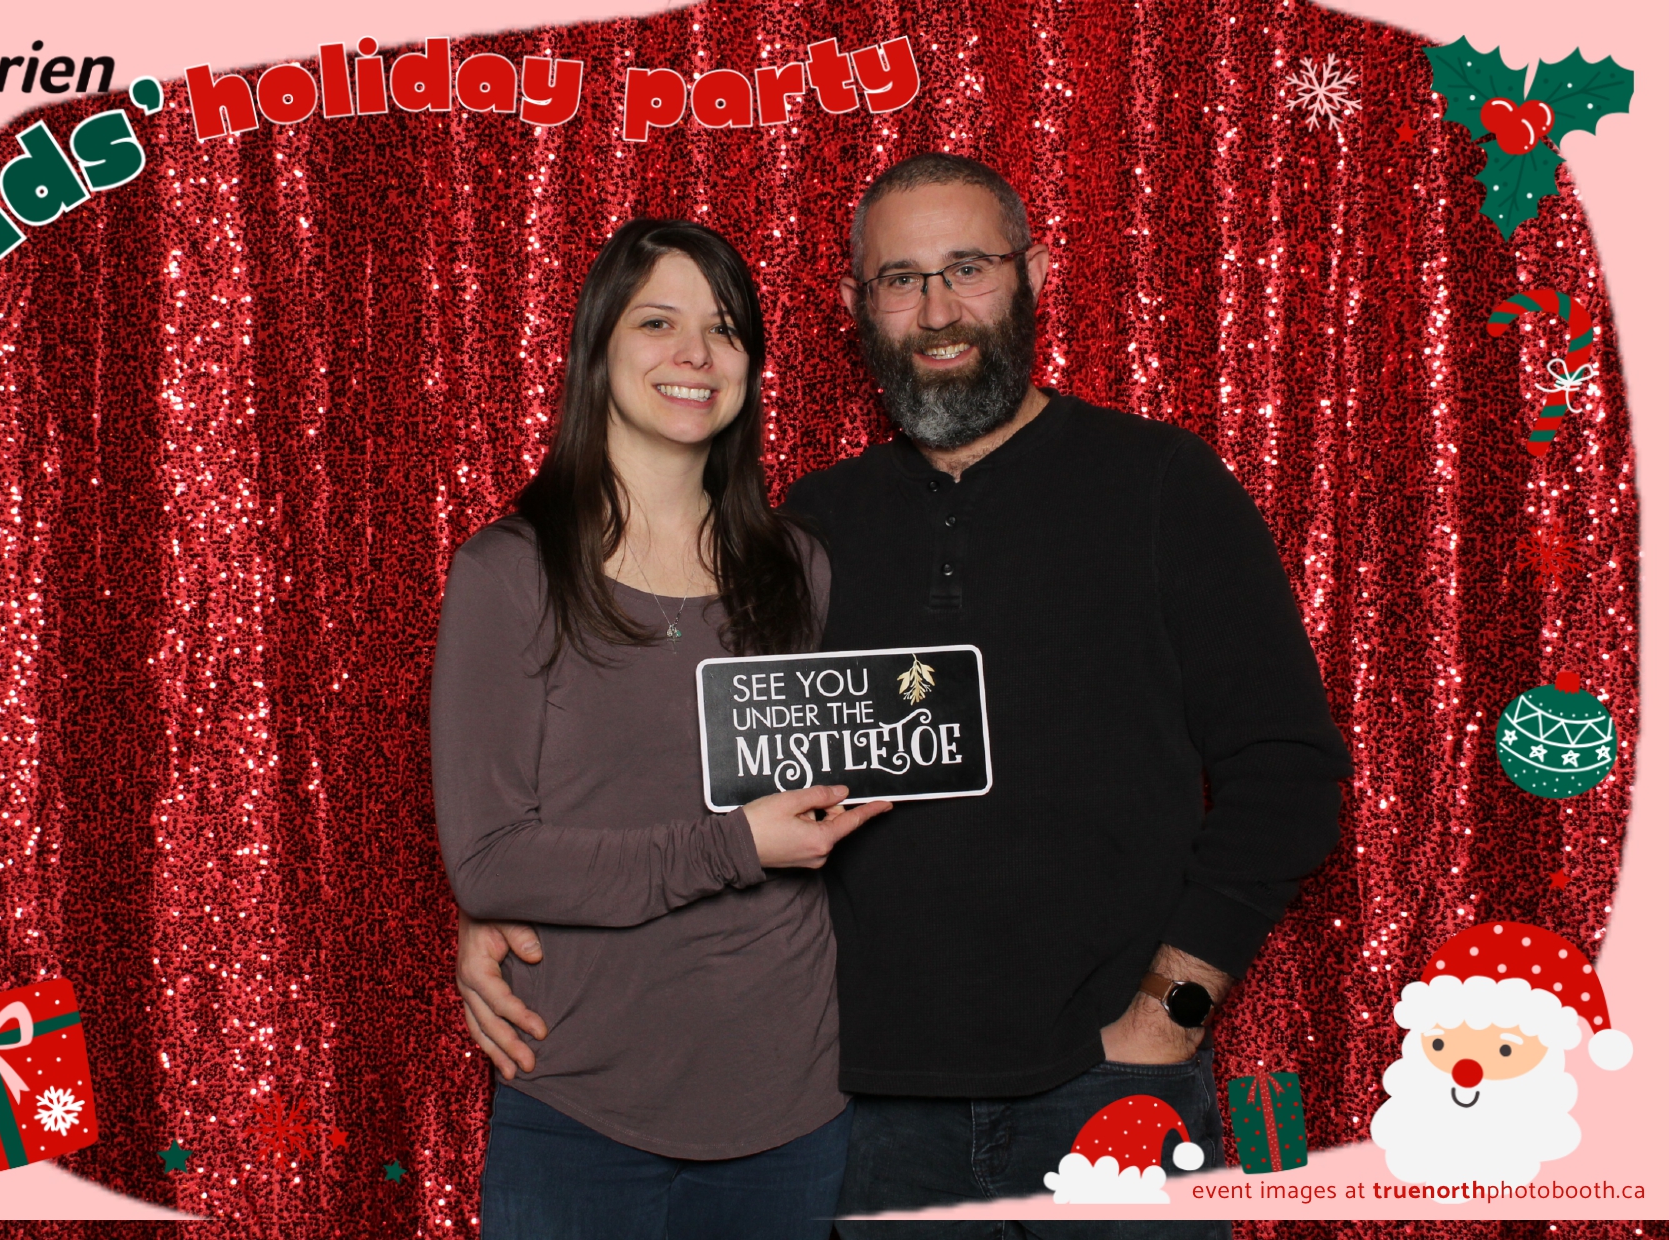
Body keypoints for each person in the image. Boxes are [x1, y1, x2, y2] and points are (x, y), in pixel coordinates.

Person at [456, 156, 1352, 1238]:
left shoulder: (1161, 483)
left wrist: (1173, 1009)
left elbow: (1287, 773)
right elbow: (685, 762)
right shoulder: (806, 531)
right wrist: (502, 897)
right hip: (870, 1111)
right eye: (900, 279)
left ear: (1034, 275)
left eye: (967, 268)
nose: (936, 311)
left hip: (1112, 1083)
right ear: (854, 305)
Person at [431, 217, 890, 1239]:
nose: (695, 353)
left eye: (724, 329)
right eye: (657, 322)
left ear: (749, 368)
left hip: (793, 1104)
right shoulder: (509, 574)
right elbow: (491, 862)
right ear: (597, 346)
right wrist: (734, 846)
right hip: (578, 1104)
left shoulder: (800, 569)